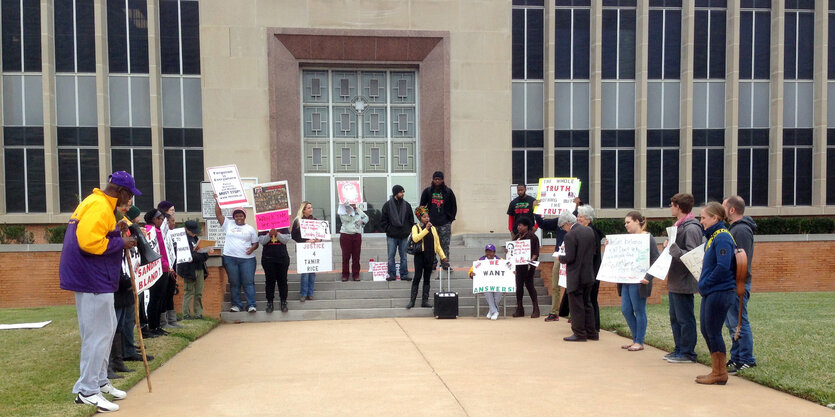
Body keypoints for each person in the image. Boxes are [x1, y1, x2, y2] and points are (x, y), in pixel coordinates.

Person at [59, 171, 138, 412]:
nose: (130, 200)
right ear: (121, 192)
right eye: (130, 195)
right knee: (97, 335)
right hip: (91, 278)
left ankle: (100, 381)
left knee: (106, 329)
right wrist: (120, 242)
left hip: (94, 277)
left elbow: (96, 235)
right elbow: (88, 242)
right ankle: (87, 391)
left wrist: (116, 232)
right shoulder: (100, 206)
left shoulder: (98, 204)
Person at [695, 202, 738, 385]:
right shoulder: (713, 237)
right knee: (707, 329)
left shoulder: (722, 238)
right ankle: (716, 370)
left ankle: (720, 373)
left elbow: (723, 266)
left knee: (713, 330)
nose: (701, 221)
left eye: (704, 217)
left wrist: (705, 282)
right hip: (711, 291)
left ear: (715, 218)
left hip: (720, 291)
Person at [665, 193, 703, 363]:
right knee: (675, 318)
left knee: (685, 319)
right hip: (675, 280)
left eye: (672, 205)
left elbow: (693, 254)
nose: (670, 208)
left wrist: (674, 249)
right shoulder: (679, 226)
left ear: (678, 207)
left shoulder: (691, 228)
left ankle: (688, 352)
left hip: (684, 281)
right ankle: (679, 348)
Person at [723, 195, 757, 373]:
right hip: (733, 282)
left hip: (739, 282)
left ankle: (746, 359)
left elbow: (741, 259)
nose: (722, 210)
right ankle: (736, 358)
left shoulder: (741, 230)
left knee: (739, 322)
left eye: (724, 207)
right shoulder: (735, 229)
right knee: (732, 323)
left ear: (732, 209)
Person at [618, 211, 660, 351]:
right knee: (625, 310)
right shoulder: (628, 239)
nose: (626, 225)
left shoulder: (648, 238)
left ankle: (639, 341)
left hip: (640, 281)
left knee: (639, 309)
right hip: (626, 280)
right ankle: (635, 338)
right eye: (625, 223)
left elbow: (655, 259)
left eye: (628, 222)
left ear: (637, 221)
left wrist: (648, 277)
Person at [215, 196, 259, 312]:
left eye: (241, 216)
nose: (238, 218)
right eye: (236, 216)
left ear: (244, 217)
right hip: (230, 259)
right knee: (234, 283)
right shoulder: (228, 224)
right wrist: (217, 201)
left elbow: (256, 243)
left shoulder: (250, 229)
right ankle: (236, 305)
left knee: (248, 282)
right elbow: (218, 214)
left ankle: (251, 305)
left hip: (247, 260)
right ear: (233, 217)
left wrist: (252, 248)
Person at [558, 211, 597, 341]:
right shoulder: (589, 231)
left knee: (576, 306)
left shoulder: (570, 235)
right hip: (589, 274)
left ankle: (579, 333)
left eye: (563, 227)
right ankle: (592, 333)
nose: (563, 230)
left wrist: (560, 257)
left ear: (567, 223)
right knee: (587, 304)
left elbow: (570, 257)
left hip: (576, 276)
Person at [406, 206, 449, 309]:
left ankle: (425, 300)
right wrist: (426, 229)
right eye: (425, 217)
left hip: (430, 256)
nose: (427, 218)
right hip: (420, 256)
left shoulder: (433, 228)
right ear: (420, 217)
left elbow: (437, 245)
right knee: (417, 277)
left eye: (428, 216)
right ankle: (412, 300)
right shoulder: (415, 227)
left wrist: (443, 257)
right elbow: (415, 239)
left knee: (427, 278)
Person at [419, 171, 457, 269]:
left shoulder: (448, 192)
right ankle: (432, 263)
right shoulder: (427, 191)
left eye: (439, 179)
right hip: (431, 223)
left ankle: (445, 263)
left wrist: (450, 219)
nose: (437, 181)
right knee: (431, 244)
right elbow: (422, 207)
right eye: (435, 179)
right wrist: (425, 220)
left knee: (445, 245)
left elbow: (454, 207)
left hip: (445, 223)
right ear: (432, 180)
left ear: (442, 180)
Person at [144, 209, 172, 335]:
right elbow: (160, 250)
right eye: (160, 219)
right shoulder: (153, 232)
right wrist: (166, 264)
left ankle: (157, 325)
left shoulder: (159, 231)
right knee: (155, 298)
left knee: (160, 298)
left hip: (164, 267)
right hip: (158, 268)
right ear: (155, 219)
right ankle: (153, 326)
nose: (162, 221)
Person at [380, 185, 414, 281]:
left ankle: (404, 274)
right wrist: (389, 230)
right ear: (396, 193)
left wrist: (407, 230)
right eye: (401, 192)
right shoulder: (387, 205)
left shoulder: (407, 205)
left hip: (403, 235)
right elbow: (383, 221)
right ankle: (392, 275)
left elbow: (411, 219)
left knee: (404, 256)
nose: (402, 194)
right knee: (391, 256)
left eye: (403, 192)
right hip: (392, 236)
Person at [178, 220, 209, 319]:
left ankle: (198, 313)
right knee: (189, 292)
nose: (194, 233)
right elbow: (189, 256)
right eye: (192, 231)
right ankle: (186, 314)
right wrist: (199, 255)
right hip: (189, 269)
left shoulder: (196, 239)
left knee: (198, 292)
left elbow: (203, 255)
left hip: (200, 268)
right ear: (187, 229)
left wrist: (204, 252)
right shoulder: (184, 240)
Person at [291, 201, 322, 301]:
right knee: (305, 272)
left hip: (313, 249)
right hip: (303, 249)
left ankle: (310, 293)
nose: (311, 209)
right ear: (303, 210)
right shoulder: (298, 221)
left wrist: (319, 239)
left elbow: (321, 234)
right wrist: (305, 240)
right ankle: (303, 294)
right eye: (309, 208)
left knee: (312, 271)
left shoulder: (315, 220)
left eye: (311, 207)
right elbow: (294, 236)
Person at [511, 217, 540, 318]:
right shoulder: (516, 237)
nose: (518, 227)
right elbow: (512, 250)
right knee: (519, 286)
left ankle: (536, 308)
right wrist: (508, 252)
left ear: (526, 226)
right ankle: (520, 309)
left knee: (529, 285)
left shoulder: (532, 237)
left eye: (520, 225)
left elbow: (536, 252)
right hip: (519, 266)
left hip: (528, 266)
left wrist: (531, 260)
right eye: (518, 225)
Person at [258, 227, 292, 313]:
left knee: (283, 281)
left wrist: (277, 234)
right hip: (268, 258)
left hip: (282, 257)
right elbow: (262, 241)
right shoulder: (263, 226)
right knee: (270, 281)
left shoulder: (283, 226)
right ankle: (270, 302)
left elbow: (285, 240)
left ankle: (283, 301)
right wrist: (269, 235)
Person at [468, 244, 505, 320]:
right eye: (487, 251)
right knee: (487, 290)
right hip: (486, 284)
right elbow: (471, 270)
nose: (488, 253)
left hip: (498, 284)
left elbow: (509, 268)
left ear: (494, 252)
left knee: (499, 291)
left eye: (490, 251)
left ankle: (492, 310)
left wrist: (513, 272)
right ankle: (495, 311)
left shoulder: (500, 260)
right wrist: (472, 273)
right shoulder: (480, 261)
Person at [338, 203, 368, 281]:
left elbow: (366, 217)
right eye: (352, 205)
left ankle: (356, 274)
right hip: (345, 234)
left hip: (356, 234)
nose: (354, 206)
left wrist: (361, 221)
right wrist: (350, 212)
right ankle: (345, 274)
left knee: (356, 256)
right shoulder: (342, 211)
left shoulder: (358, 210)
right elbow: (348, 219)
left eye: (355, 204)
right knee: (346, 256)